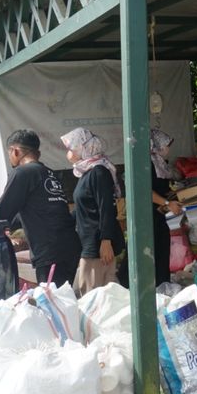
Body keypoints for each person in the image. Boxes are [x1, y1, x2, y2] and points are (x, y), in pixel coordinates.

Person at [0, 129, 80, 286]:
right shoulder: (49, 173)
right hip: (69, 246)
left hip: (50, 251)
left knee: (52, 304)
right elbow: (34, 211)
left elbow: (1, 213)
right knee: (62, 301)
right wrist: (10, 226)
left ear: (16, 151)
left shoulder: (22, 173)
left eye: (10, 153)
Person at [61, 127, 124, 296]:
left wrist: (106, 241)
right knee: (89, 293)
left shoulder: (99, 172)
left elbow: (107, 208)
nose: (69, 152)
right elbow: (84, 209)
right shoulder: (86, 172)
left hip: (97, 245)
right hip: (89, 242)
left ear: (83, 147)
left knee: (92, 295)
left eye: (71, 148)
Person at [120, 129, 183, 288]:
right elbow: (143, 191)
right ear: (157, 145)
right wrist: (167, 204)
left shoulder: (161, 164)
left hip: (157, 216)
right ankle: (132, 289)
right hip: (144, 217)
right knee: (143, 252)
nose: (168, 149)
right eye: (166, 145)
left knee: (161, 250)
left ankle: (161, 287)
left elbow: (161, 188)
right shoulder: (145, 163)